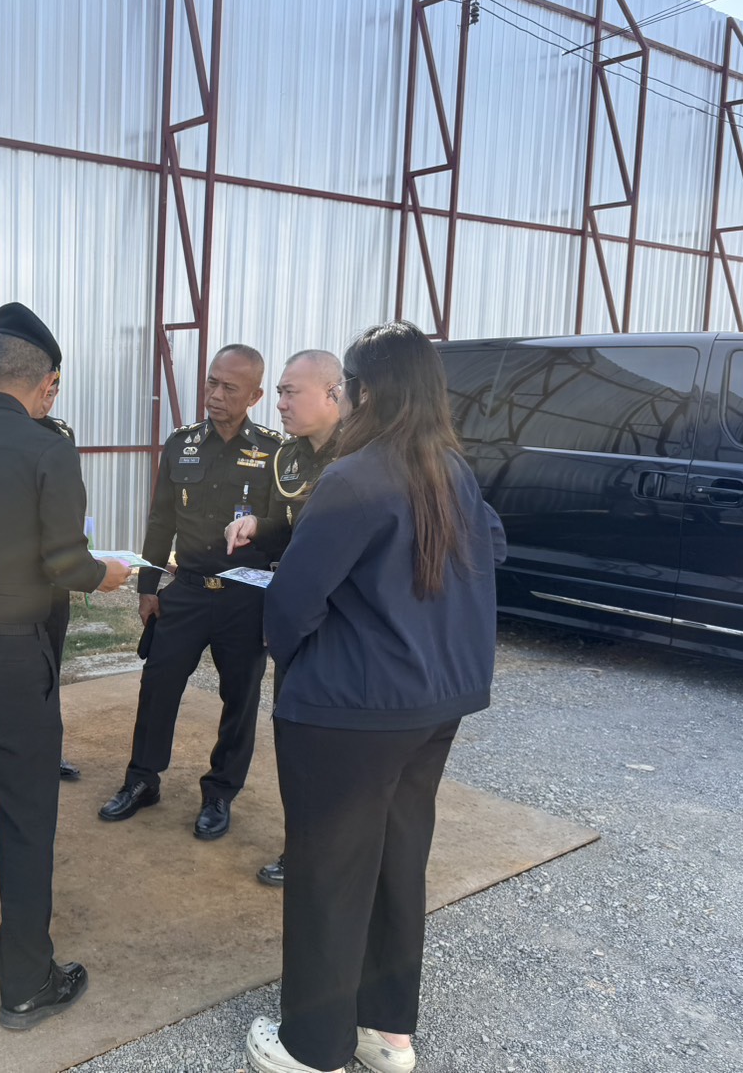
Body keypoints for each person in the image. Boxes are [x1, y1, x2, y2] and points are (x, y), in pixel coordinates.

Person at [243, 322, 506, 1073]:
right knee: (396, 861)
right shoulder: (450, 470)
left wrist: (301, 662)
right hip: (434, 704)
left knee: (329, 870)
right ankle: (388, 1034)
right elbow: (492, 548)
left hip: (351, 710)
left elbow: (292, 602)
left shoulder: (353, 476)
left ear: (361, 391)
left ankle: (312, 1046)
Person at [0, 303, 129, 1030]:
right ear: (47, 384)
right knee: (25, 818)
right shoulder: (48, 450)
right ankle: (27, 982)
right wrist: (105, 575)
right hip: (7, 656)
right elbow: (66, 563)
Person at [98, 345, 283, 841]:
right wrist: (148, 587)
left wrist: (276, 603)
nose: (215, 395)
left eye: (230, 388)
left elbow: (285, 529)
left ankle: (220, 792)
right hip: (188, 591)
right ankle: (142, 780)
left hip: (246, 600)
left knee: (240, 698)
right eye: (211, 383)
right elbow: (161, 520)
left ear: (255, 396)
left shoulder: (275, 452)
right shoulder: (182, 443)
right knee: (157, 686)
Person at [222, 349, 344, 887]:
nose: (280, 404)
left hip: (342, 625)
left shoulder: (362, 455)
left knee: (337, 743)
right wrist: (256, 526)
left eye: (291, 392)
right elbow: (289, 528)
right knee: (294, 735)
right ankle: (304, 847)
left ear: (333, 394)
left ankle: (334, 853)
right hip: (296, 620)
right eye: (279, 393)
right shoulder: (288, 457)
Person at [36, 372, 82, 781]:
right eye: (43, 392)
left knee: (50, 667)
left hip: (53, 584)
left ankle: (47, 750)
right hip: (10, 582)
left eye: (53, 393)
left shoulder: (60, 434)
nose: (47, 400)